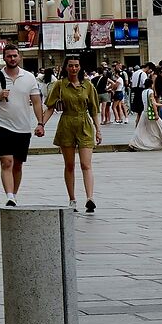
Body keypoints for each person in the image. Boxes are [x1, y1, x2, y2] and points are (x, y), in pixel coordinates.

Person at [0, 43, 44, 205]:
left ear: (19, 57)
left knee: (18, 165)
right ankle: (9, 196)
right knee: (6, 161)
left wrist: (40, 123)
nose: (12, 59)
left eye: (14, 56)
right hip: (1, 125)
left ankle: (14, 194)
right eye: (9, 56)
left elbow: (36, 102)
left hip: (23, 127)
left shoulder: (28, 77)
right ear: (4, 58)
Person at [48, 55, 100, 213]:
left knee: (86, 164)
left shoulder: (88, 85)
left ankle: (90, 198)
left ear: (80, 67)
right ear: (65, 67)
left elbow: (94, 109)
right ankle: (72, 199)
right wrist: (41, 124)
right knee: (69, 165)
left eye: (76, 65)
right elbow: (50, 106)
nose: (73, 68)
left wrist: (98, 129)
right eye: (70, 66)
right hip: (67, 124)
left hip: (84, 123)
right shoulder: (59, 85)